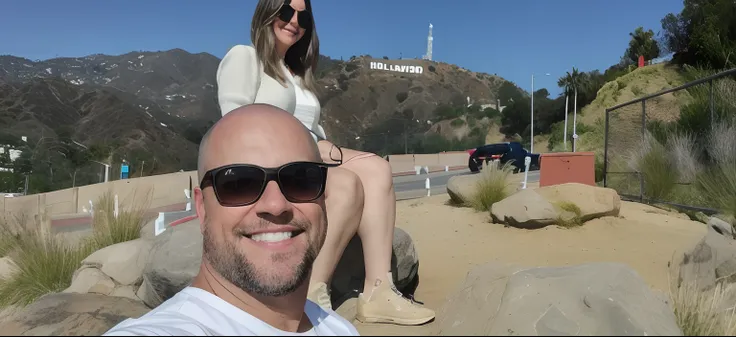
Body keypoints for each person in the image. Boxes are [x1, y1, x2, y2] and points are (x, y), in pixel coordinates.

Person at [215, 0, 435, 325]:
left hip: (308, 161)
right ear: (267, 13)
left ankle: (378, 291)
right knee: (346, 185)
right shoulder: (245, 58)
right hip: (268, 171)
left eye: (303, 16)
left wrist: (323, 144)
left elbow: (312, 130)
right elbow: (232, 126)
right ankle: (309, 295)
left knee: (376, 169)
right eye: (286, 11)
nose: (295, 21)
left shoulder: (295, 73)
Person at [104, 104, 359, 336]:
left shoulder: (337, 328)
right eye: (239, 183)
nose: (276, 204)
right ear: (202, 208)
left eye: (301, 179)